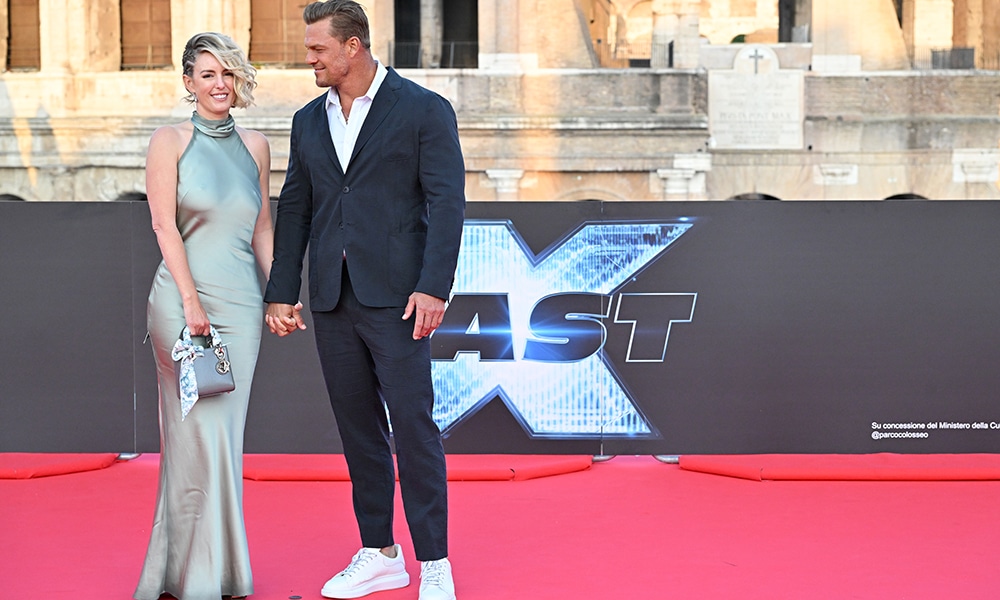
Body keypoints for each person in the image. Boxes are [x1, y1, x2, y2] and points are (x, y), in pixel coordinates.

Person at [263, 2, 466, 599]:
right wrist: (282, 292)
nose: (310, 58)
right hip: (331, 298)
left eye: (318, 49)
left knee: (414, 428)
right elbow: (296, 207)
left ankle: (434, 563)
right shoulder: (307, 119)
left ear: (353, 46)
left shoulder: (424, 110)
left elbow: (447, 204)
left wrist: (434, 286)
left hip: (400, 299)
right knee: (358, 432)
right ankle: (379, 553)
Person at [135, 32, 285, 600]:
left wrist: (279, 293)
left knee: (224, 439)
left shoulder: (257, 145)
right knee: (192, 436)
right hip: (181, 303)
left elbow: (262, 228)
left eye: (227, 73)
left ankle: (212, 573)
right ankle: (190, 576)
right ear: (188, 83)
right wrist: (192, 302)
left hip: (242, 307)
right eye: (207, 74)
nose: (219, 83)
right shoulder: (168, 141)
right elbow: (163, 226)